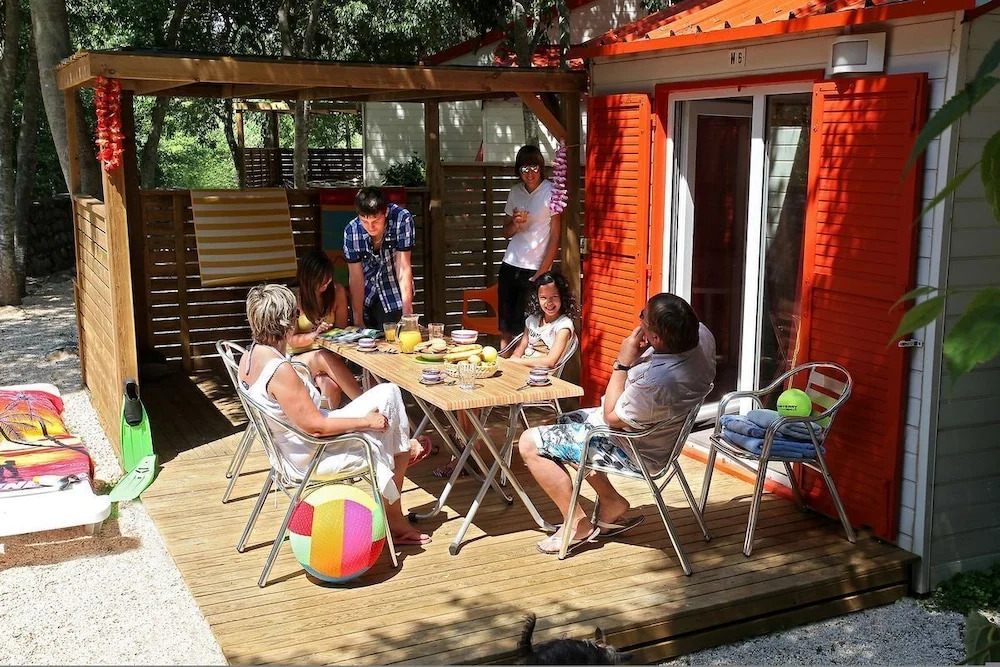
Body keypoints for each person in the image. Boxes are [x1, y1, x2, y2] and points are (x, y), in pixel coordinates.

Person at [518, 293, 716, 555]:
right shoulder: (702, 336)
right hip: (660, 437)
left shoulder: (658, 382)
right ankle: (611, 500)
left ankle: (577, 524)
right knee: (564, 423)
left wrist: (622, 363)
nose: (640, 321)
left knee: (529, 443)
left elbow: (611, 417)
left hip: (635, 450)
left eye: (643, 318)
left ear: (656, 338)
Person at [240, 284, 432, 545]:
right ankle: (395, 506)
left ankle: (399, 453)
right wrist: (366, 421)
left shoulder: (250, 356)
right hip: (313, 456)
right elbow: (316, 427)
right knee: (391, 432)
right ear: (288, 321)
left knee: (389, 393)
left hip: (294, 447)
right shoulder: (279, 371)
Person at [498, 145, 561, 348]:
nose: (530, 173)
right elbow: (505, 232)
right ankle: (504, 362)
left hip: (535, 268)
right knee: (506, 326)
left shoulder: (552, 192)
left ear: (541, 167)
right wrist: (515, 224)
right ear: (519, 171)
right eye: (524, 169)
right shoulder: (515, 192)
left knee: (529, 329)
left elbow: (556, 236)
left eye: (534, 167)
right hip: (510, 264)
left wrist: (542, 272)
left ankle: (521, 365)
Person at [286, 249, 362, 409]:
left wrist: (333, 352)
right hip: (297, 358)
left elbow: (341, 331)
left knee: (331, 388)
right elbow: (291, 341)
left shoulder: (337, 291)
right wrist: (314, 335)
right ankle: (366, 405)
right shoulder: (292, 297)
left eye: (328, 277)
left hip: (330, 357)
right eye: (320, 279)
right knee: (321, 357)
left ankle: (325, 421)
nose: (326, 283)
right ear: (307, 278)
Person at [343, 187, 415, 329]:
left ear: (385, 212)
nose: (370, 227)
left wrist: (407, 313)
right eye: (364, 221)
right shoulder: (351, 231)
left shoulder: (402, 219)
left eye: (375, 221)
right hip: (366, 294)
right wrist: (357, 319)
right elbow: (356, 276)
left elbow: (403, 266)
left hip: (393, 293)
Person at [507, 271, 576, 369]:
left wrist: (518, 362)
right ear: (537, 299)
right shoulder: (532, 320)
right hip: (522, 368)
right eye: (543, 297)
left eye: (554, 297)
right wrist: (513, 360)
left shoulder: (563, 325)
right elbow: (519, 351)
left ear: (562, 297)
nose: (549, 303)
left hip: (541, 373)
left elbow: (550, 361)